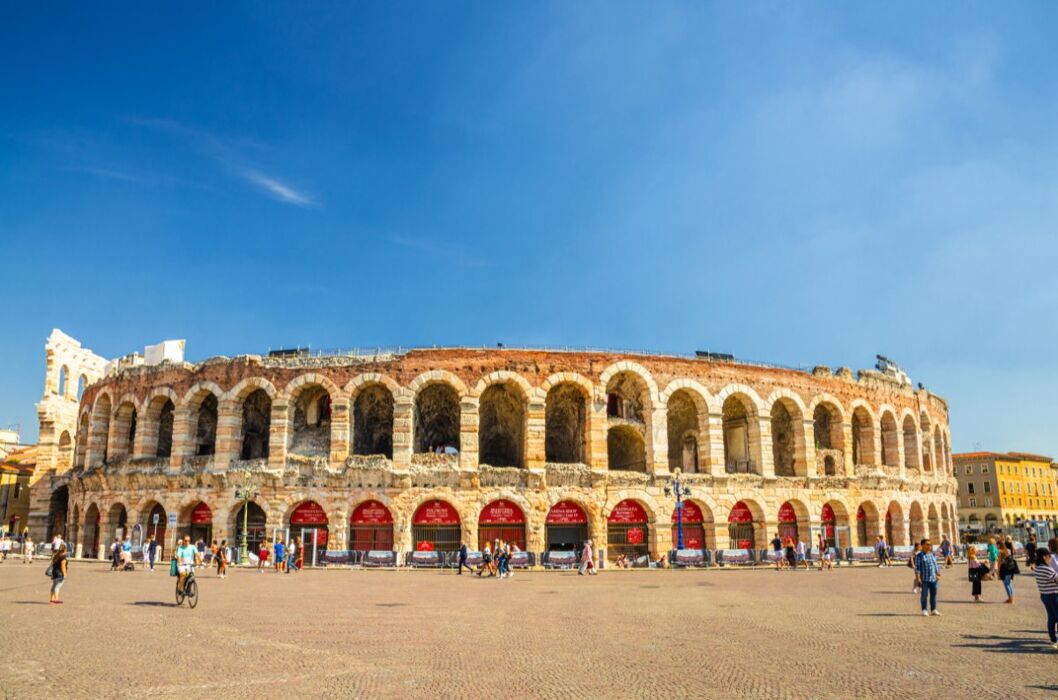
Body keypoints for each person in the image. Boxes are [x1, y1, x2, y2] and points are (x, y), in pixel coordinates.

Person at [1034, 549, 1058, 649]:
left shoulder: (1038, 568)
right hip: (1053, 595)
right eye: (1049, 555)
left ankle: (1053, 640)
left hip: (1044, 595)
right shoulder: (1046, 569)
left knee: (1051, 618)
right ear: (1044, 556)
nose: (1051, 557)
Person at [914, 539, 941, 616]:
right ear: (922, 545)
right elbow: (917, 568)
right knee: (924, 595)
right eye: (927, 544)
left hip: (934, 579)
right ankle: (924, 609)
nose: (929, 546)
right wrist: (918, 578)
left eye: (930, 544)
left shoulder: (932, 554)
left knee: (933, 595)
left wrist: (938, 574)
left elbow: (935, 565)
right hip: (924, 579)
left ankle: (933, 609)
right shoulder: (919, 555)